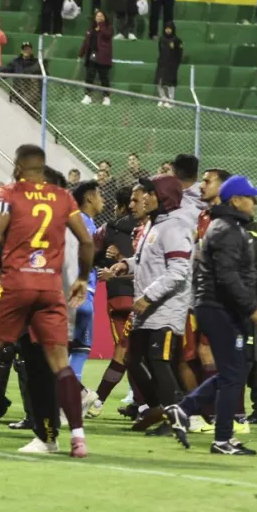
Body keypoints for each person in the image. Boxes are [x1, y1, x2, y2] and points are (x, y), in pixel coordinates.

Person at [0, 145, 94, 457]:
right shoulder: (63, 197)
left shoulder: (10, 192)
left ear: (18, 166)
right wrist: (83, 277)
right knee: (59, 363)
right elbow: (86, 241)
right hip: (50, 288)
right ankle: (78, 439)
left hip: (16, 283)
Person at [166, 176, 257, 456]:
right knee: (234, 373)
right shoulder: (228, 229)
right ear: (236, 200)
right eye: (251, 197)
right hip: (218, 307)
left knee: (231, 373)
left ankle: (187, 412)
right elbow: (227, 277)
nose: (255, 202)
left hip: (219, 306)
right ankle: (220, 438)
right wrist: (252, 307)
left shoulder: (227, 226)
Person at [107, 175, 193, 433]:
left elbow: (179, 270)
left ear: (164, 196)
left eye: (150, 193)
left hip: (165, 310)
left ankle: (174, 418)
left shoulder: (175, 227)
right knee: (133, 360)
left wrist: (149, 296)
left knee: (159, 361)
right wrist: (126, 264)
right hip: (148, 309)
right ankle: (160, 409)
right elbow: (147, 260)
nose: (145, 197)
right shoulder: (156, 226)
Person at [87, 184, 136, 417]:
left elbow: (89, 252)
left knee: (123, 351)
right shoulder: (149, 226)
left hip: (118, 295)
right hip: (145, 293)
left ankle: (97, 401)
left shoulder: (108, 229)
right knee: (139, 352)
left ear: (122, 206)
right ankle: (143, 404)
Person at [69, 180, 103, 385]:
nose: (102, 200)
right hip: (81, 292)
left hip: (76, 290)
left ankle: (63, 400)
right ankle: (70, 398)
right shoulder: (83, 225)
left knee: (71, 347)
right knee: (80, 347)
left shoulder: (83, 222)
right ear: (89, 198)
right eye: (99, 195)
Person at [79, 9, 114, 105]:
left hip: (103, 56)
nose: (99, 18)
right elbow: (86, 42)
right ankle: (87, 96)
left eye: (101, 16)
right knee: (89, 76)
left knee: (104, 77)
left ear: (105, 18)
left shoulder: (108, 27)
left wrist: (101, 26)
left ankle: (106, 97)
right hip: (92, 55)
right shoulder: (91, 29)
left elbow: (107, 35)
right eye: (97, 16)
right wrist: (81, 53)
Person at [154, 21, 183, 107]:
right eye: (167, 28)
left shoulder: (177, 40)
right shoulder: (162, 39)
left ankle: (171, 100)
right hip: (162, 64)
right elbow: (160, 50)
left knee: (170, 83)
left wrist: (176, 64)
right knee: (159, 82)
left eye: (170, 28)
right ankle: (163, 99)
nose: (168, 30)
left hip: (172, 65)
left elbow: (179, 53)